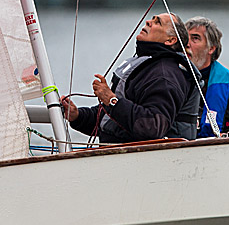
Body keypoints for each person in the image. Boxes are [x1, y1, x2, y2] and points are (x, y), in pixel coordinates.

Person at [61, 12, 201, 143]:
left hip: (144, 161)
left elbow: (152, 127)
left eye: (157, 22)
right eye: (151, 19)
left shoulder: (165, 74)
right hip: (117, 157)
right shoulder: (148, 66)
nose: (148, 22)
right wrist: (77, 116)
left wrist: (112, 100)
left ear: (170, 40)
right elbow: (109, 118)